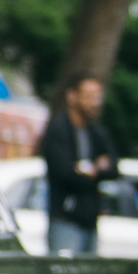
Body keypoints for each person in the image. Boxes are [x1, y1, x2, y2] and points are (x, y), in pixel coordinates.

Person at [36, 74, 114, 255]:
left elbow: (114, 166)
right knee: (65, 270)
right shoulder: (59, 128)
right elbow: (63, 172)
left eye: (97, 97)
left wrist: (87, 170)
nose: (95, 102)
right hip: (65, 219)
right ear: (72, 96)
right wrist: (95, 169)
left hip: (90, 220)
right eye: (89, 96)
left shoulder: (95, 131)